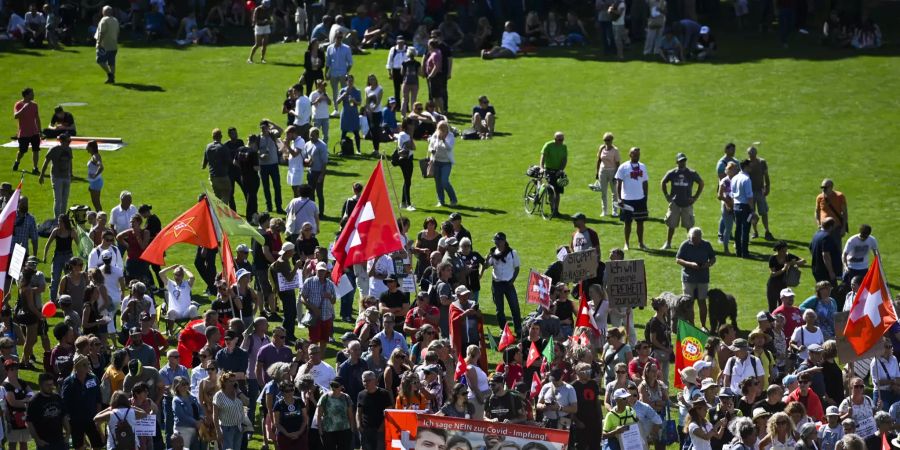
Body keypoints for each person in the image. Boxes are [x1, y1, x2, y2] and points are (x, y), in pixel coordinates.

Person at [661, 153, 704, 250]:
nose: (683, 162)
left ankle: (691, 244)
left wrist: (695, 197)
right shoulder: (672, 173)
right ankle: (668, 243)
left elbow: (701, 183)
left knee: (689, 225)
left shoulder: (692, 173)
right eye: (680, 161)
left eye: (684, 160)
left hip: (687, 203)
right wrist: (667, 196)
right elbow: (663, 182)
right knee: (671, 224)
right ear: (677, 162)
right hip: (675, 203)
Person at [676, 227, 716, 330]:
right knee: (689, 304)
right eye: (693, 238)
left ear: (700, 237)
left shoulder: (706, 245)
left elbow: (713, 258)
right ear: (689, 237)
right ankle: (692, 326)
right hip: (688, 279)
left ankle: (703, 326)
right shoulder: (685, 245)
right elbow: (678, 259)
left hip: (702, 278)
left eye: (697, 238)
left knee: (702, 302)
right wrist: (690, 264)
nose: (695, 240)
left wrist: (707, 264)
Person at [483, 232, 521, 335]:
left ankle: (518, 329)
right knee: (499, 309)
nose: (497, 243)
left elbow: (517, 268)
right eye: (496, 241)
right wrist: (487, 258)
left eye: (499, 241)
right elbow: (486, 266)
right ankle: (504, 330)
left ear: (504, 241)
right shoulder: (493, 253)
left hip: (508, 284)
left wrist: (512, 281)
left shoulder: (512, 253)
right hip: (497, 284)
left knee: (515, 307)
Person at [616, 147, 649, 250]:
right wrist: (619, 198)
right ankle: (626, 243)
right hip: (627, 199)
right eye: (635, 154)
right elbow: (618, 183)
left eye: (638, 155)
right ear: (630, 155)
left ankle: (641, 243)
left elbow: (645, 182)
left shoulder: (642, 166)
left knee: (640, 222)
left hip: (640, 199)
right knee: (627, 222)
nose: (637, 156)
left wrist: (645, 196)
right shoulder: (623, 167)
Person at [27, 372, 70, 450]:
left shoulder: (57, 398)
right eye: (47, 385)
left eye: (51, 384)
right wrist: (37, 440)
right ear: (40, 385)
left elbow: (63, 416)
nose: (51, 387)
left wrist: (67, 434)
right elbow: (29, 423)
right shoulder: (34, 402)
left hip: (60, 441)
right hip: (44, 443)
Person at [300, 262, 337, 347]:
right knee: (314, 341)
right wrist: (312, 307)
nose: (321, 273)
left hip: (327, 316)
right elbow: (302, 298)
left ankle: (321, 359)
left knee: (324, 340)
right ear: (316, 270)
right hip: (314, 316)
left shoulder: (330, 284)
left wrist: (330, 297)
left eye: (323, 271)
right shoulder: (309, 281)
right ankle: (313, 358)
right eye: (319, 271)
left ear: (326, 272)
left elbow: (334, 301)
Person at [39, 132, 73, 219]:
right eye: (67, 141)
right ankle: (57, 220)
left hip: (66, 177)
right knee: (58, 200)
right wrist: (41, 175)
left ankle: (63, 219)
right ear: (61, 141)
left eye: (69, 141)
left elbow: (70, 162)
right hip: (56, 177)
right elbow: (46, 162)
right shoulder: (53, 149)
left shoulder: (69, 149)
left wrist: (71, 174)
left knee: (65, 200)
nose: (68, 143)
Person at [318, 378, 355, 450]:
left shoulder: (346, 397)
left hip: (344, 431)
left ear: (342, 386)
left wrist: (351, 430)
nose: (333, 387)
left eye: (336, 385)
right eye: (332, 385)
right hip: (328, 431)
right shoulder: (325, 397)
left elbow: (350, 416)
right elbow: (319, 416)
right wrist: (320, 431)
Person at [12, 87, 41, 173]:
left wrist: (40, 131)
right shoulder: (18, 104)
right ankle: (17, 161)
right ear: (27, 95)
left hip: (34, 132)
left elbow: (37, 118)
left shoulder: (35, 105)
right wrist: (24, 108)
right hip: (24, 133)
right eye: (32, 93)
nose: (33, 95)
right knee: (22, 151)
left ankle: (35, 168)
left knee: (36, 150)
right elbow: (15, 116)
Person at [730, 160, 755, 258]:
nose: (751, 168)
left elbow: (732, 194)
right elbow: (749, 196)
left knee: (738, 229)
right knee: (745, 230)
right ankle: (745, 253)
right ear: (745, 167)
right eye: (750, 166)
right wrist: (752, 210)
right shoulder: (746, 179)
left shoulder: (734, 178)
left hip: (736, 206)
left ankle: (738, 251)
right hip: (745, 207)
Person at [429, 120, 457, 207]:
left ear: (447, 128)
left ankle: (453, 199)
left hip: (446, 162)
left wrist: (444, 140)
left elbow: (449, 148)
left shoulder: (451, 136)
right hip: (436, 161)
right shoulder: (435, 134)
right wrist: (431, 150)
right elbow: (430, 146)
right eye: (440, 128)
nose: (441, 130)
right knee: (438, 183)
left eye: (443, 128)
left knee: (444, 181)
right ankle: (441, 201)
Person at [540, 132, 568, 217]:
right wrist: (541, 167)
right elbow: (543, 157)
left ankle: (556, 210)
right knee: (551, 192)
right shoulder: (548, 145)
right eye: (559, 140)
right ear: (555, 139)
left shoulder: (564, 147)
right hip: (549, 170)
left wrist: (561, 170)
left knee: (558, 192)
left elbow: (564, 159)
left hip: (558, 171)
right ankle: (552, 210)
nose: (561, 141)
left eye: (562, 139)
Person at [203, 128, 233, 205]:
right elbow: (229, 162)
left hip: (213, 176)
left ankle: (218, 210)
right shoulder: (223, 147)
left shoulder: (208, 147)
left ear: (213, 137)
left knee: (217, 196)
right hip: (223, 176)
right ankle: (222, 208)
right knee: (227, 193)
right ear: (221, 136)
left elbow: (205, 162)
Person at [594, 132, 621, 217]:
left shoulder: (615, 150)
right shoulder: (602, 148)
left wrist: (616, 175)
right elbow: (599, 160)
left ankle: (615, 211)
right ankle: (604, 211)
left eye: (608, 140)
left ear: (612, 140)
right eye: (605, 140)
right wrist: (597, 172)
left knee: (614, 192)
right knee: (603, 192)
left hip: (612, 171)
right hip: (603, 171)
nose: (606, 142)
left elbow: (617, 163)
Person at [326, 33, 353, 115]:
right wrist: (326, 73)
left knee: (345, 92)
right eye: (338, 37)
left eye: (341, 37)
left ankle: (346, 108)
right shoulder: (329, 48)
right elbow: (328, 63)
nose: (339, 39)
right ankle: (336, 109)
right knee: (335, 92)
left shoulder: (346, 48)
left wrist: (346, 73)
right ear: (335, 38)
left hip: (342, 74)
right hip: (333, 73)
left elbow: (350, 63)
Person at [336, 74, 362, 154]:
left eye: (351, 80)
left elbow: (360, 103)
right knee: (344, 132)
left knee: (356, 132)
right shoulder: (343, 90)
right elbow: (337, 101)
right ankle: (343, 149)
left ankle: (358, 150)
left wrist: (354, 101)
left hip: (354, 114)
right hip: (346, 114)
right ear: (346, 81)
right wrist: (343, 95)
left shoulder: (357, 91)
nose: (350, 82)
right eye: (349, 80)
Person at [810, 218, 841, 285]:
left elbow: (811, 249)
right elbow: (826, 255)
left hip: (817, 269)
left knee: (820, 290)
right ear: (831, 226)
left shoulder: (816, 235)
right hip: (825, 272)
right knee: (830, 291)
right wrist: (831, 272)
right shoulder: (827, 237)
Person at [94, 6, 119, 84]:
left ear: (104, 12)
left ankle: (110, 74)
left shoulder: (103, 20)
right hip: (114, 45)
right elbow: (118, 32)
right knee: (111, 62)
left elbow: (101, 33)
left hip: (104, 45)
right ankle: (112, 78)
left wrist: (98, 43)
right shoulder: (115, 20)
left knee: (100, 60)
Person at [396, 118, 417, 211]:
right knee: (407, 181)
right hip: (405, 159)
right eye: (411, 124)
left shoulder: (408, 135)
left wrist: (411, 136)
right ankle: (408, 204)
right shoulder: (403, 135)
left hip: (410, 158)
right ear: (407, 125)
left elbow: (414, 148)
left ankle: (403, 203)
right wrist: (411, 136)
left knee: (407, 181)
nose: (413, 126)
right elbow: (409, 146)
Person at [400, 49, 421, 116]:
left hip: (406, 83)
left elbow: (402, 73)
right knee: (413, 99)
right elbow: (420, 73)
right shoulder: (417, 63)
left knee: (404, 99)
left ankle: (403, 115)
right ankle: (413, 114)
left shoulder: (404, 63)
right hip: (415, 83)